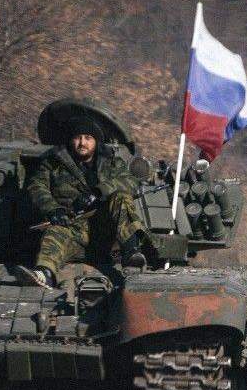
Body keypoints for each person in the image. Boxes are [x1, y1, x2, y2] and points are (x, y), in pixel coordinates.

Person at [14, 115, 153, 288]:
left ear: (95, 141)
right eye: (77, 138)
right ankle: (45, 273)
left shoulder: (111, 162)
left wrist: (99, 191)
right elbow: (37, 186)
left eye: (88, 138)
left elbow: (130, 182)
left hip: (107, 233)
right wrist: (53, 209)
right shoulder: (53, 163)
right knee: (55, 231)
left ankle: (131, 252)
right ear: (70, 140)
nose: (82, 143)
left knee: (121, 197)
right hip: (71, 228)